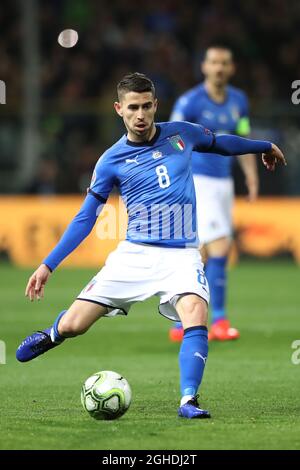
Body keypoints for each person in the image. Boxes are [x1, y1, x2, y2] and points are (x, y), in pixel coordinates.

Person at [16, 72, 286, 419]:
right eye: (133, 108)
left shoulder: (181, 133)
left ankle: (188, 401)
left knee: (195, 312)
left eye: (146, 106)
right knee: (75, 326)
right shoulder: (110, 161)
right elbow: (86, 218)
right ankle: (54, 333)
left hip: (182, 255)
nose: (140, 114)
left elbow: (219, 142)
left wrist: (263, 146)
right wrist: (47, 264)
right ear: (119, 109)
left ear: (155, 105)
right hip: (134, 255)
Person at [169, 45, 259, 343]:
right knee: (214, 248)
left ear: (231, 68)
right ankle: (214, 320)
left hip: (223, 183)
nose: (219, 67)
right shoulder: (190, 102)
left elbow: (242, 138)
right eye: (213, 62)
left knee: (208, 250)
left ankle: (187, 321)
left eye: (224, 63)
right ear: (204, 67)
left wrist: (250, 174)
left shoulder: (239, 101)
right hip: (198, 180)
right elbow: (172, 140)